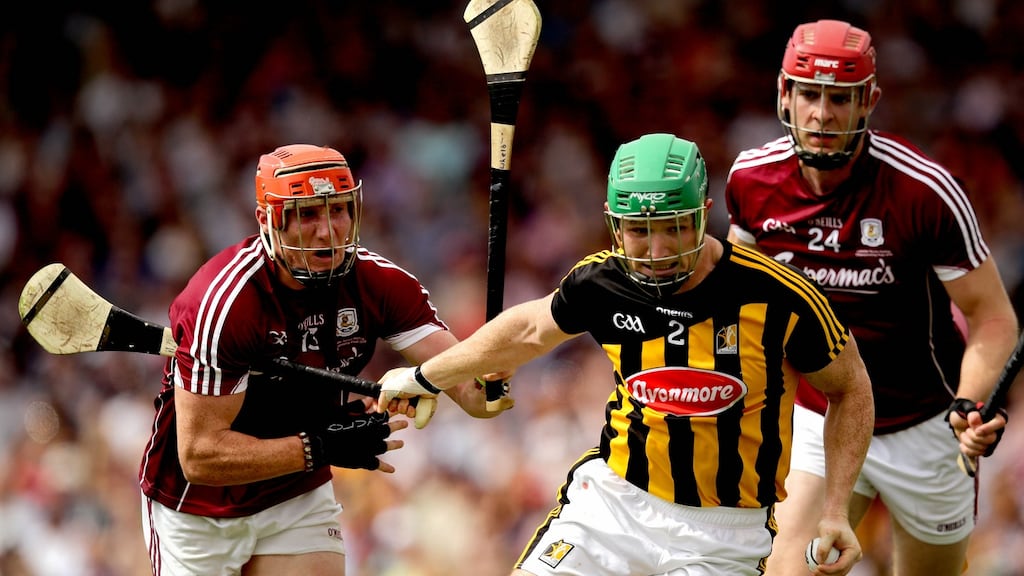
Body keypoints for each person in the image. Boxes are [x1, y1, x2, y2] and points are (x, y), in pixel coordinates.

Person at [377, 133, 876, 575]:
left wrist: (834, 509)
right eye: (639, 229)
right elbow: (530, 327)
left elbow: (851, 387)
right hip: (613, 503)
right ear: (616, 225)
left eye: (673, 227)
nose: (656, 250)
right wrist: (426, 376)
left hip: (724, 532)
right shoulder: (604, 280)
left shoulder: (780, 296)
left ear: (703, 213)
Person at [724, 19, 1021, 576]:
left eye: (840, 98)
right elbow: (740, 300)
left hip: (926, 422)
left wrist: (971, 402)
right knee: (786, 571)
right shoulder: (750, 181)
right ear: (784, 94)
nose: (822, 114)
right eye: (809, 94)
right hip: (822, 414)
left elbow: (993, 317)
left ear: (870, 102)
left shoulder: (924, 192)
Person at [138, 144, 505, 576]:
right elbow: (199, 456)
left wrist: (490, 367)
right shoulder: (223, 304)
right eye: (308, 214)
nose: (328, 231)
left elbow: (476, 394)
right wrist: (319, 447)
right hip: (198, 508)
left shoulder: (380, 285)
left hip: (296, 494)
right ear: (268, 221)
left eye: (339, 211)